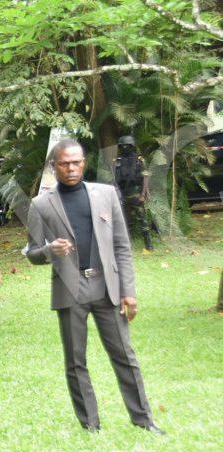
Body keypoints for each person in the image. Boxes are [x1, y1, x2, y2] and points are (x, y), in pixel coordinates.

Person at [26, 139, 162, 435]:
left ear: (84, 163)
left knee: (125, 356)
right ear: (54, 166)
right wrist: (50, 250)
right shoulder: (40, 204)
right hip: (70, 290)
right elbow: (32, 254)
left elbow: (121, 246)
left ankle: (144, 420)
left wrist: (129, 291)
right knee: (76, 361)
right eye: (64, 163)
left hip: (107, 287)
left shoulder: (106, 195)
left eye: (76, 162)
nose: (71, 168)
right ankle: (90, 424)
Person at [113, 135, 154, 251]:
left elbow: (145, 179)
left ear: (132, 146)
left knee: (142, 220)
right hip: (122, 194)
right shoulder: (118, 161)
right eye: (123, 146)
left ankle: (149, 244)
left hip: (135, 193)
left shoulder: (139, 160)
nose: (125, 147)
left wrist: (143, 195)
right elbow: (114, 180)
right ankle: (126, 246)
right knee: (124, 221)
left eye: (127, 145)